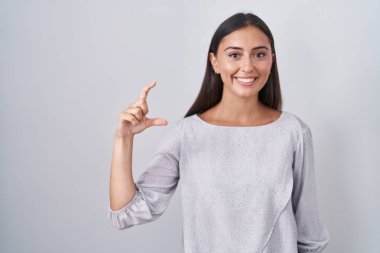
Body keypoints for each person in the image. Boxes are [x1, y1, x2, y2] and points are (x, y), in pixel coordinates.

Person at [108, 12, 330, 253]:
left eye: (259, 54)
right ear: (214, 62)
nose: (247, 66)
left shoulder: (293, 132)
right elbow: (126, 213)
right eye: (235, 55)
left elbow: (309, 236)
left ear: (271, 60)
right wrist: (124, 139)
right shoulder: (187, 135)